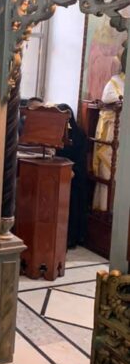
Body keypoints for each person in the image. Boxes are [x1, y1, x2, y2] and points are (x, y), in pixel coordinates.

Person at [92, 45, 126, 212]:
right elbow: (108, 100)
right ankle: (105, 210)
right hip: (111, 133)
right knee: (108, 172)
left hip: (125, 136)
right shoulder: (114, 82)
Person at [55, 104, 88, 248]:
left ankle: (71, 238)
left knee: (72, 206)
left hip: (74, 176)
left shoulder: (78, 134)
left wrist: (72, 169)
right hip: (56, 174)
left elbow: (81, 157)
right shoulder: (53, 132)